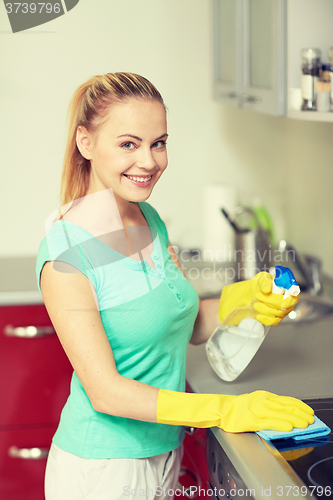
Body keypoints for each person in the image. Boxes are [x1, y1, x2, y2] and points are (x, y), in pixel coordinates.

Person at [36, 72, 314, 500]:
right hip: (102, 470)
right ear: (85, 143)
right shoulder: (66, 256)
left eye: (158, 142)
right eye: (128, 144)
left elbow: (185, 322)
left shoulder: (148, 220)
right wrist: (223, 410)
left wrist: (246, 300)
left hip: (164, 452)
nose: (148, 161)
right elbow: (107, 393)